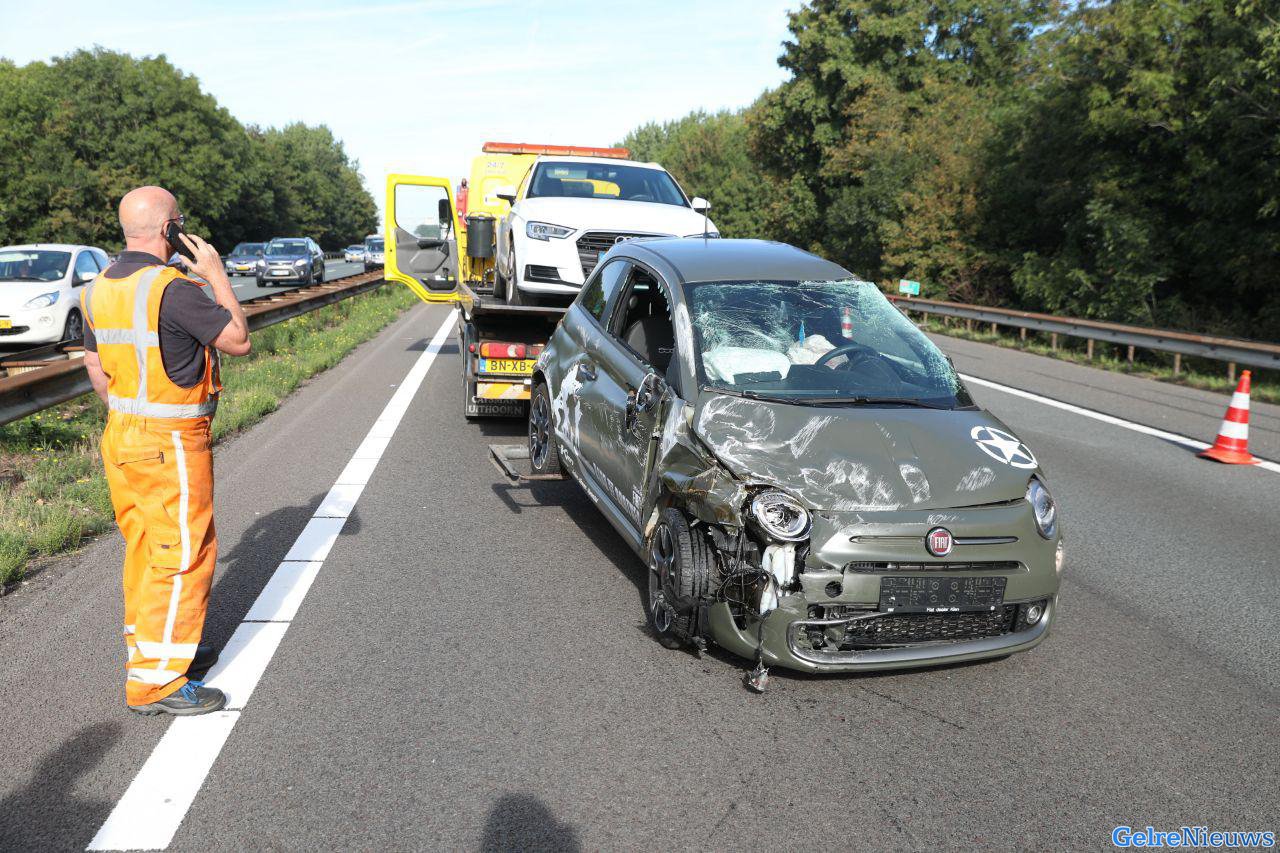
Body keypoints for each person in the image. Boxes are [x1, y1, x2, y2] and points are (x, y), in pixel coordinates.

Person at [82, 186, 251, 716]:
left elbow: (96, 372)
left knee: (146, 550)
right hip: (169, 442)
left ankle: (160, 647)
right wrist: (218, 275)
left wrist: (134, 410)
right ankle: (156, 682)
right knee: (182, 555)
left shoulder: (97, 288)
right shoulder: (172, 289)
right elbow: (238, 340)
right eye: (180, 222)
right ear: (169, 228)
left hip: (123, 435)